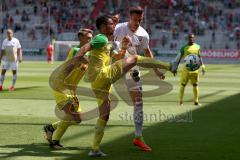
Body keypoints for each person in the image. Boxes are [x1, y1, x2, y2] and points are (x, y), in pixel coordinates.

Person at [73, 15, 174, 157]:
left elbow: (118, 57)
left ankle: (94, 149)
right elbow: (84, 48)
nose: (113, 26)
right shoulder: (100, 38)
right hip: (102, 75)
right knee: (135, 58)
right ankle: (169, 65)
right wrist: (78, 59)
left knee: (104, 115)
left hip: (99, 82)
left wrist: (125, 46)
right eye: (110, 24)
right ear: (102, 27)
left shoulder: (107, 42)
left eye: (114, 24)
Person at [114, 6, 165, 151]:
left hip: (132, 68)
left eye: (139, 20)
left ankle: (138, 137)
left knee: (138, 101)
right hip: (114, 64)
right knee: (103, 100)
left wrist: (156, 70)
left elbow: (148, 53)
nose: (137, 22)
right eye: (135, 19)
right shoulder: (119, 28)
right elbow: (108, 40)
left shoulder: (143, 34)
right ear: (130, 17)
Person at [43, 28, 93, 149]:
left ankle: (51, 128)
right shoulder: (75, 50)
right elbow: (73, 62)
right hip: (61, 86)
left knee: (78, 119)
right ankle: (55, 141)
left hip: (71, 90)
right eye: (88, 38)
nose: (91, 40)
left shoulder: (89, 54)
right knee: (70, 114)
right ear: (81, 38)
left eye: (92, 38)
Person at [172, 33, 205, 106]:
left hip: (195, 70)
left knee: (195, 85)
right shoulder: (184, 47)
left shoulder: (197, 47)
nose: (191, 39)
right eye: (190, 38)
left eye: (192, 38)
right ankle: (181, 101)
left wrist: (202, 66)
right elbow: (178, 59)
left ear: (194, 38)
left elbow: (199, 57)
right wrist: (174, 68)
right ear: (188, 39)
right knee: (183, 85)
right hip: (186, 70)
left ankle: (196, 101)